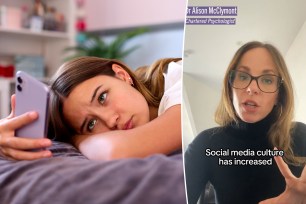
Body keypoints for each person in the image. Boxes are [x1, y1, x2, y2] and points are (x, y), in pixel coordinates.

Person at [184, 41, 306, 204]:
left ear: (279, 95)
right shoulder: (205, 144)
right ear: (230, 87)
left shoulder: (301, 135)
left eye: (267, 80)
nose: (252, 88)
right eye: (243, 76)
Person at [0, 57, 182, 161]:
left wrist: (76, 138)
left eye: (102, 97)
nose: (110, 121)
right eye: (91, 124)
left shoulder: (179, 78)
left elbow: (118, 151)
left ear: (122, 75)